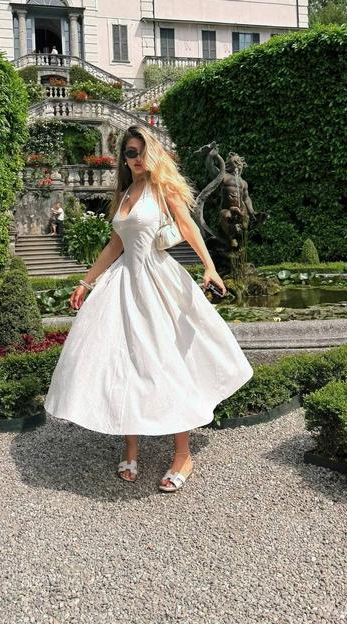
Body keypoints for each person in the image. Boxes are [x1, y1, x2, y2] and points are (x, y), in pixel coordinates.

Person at [43, 125, 254, 493]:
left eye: (141, 151)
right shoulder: (124, 193)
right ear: (123, 158)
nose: (136, 158)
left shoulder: (161, 188)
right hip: (122, 285)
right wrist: (86, 282)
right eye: (130, 152)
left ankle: (183, 455)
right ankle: (131, 448)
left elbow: (188, 226)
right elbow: (115, 245)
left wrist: (209, 266)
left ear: (151, 153)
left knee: (166, 362)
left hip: (157, 281)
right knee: (123, 364)